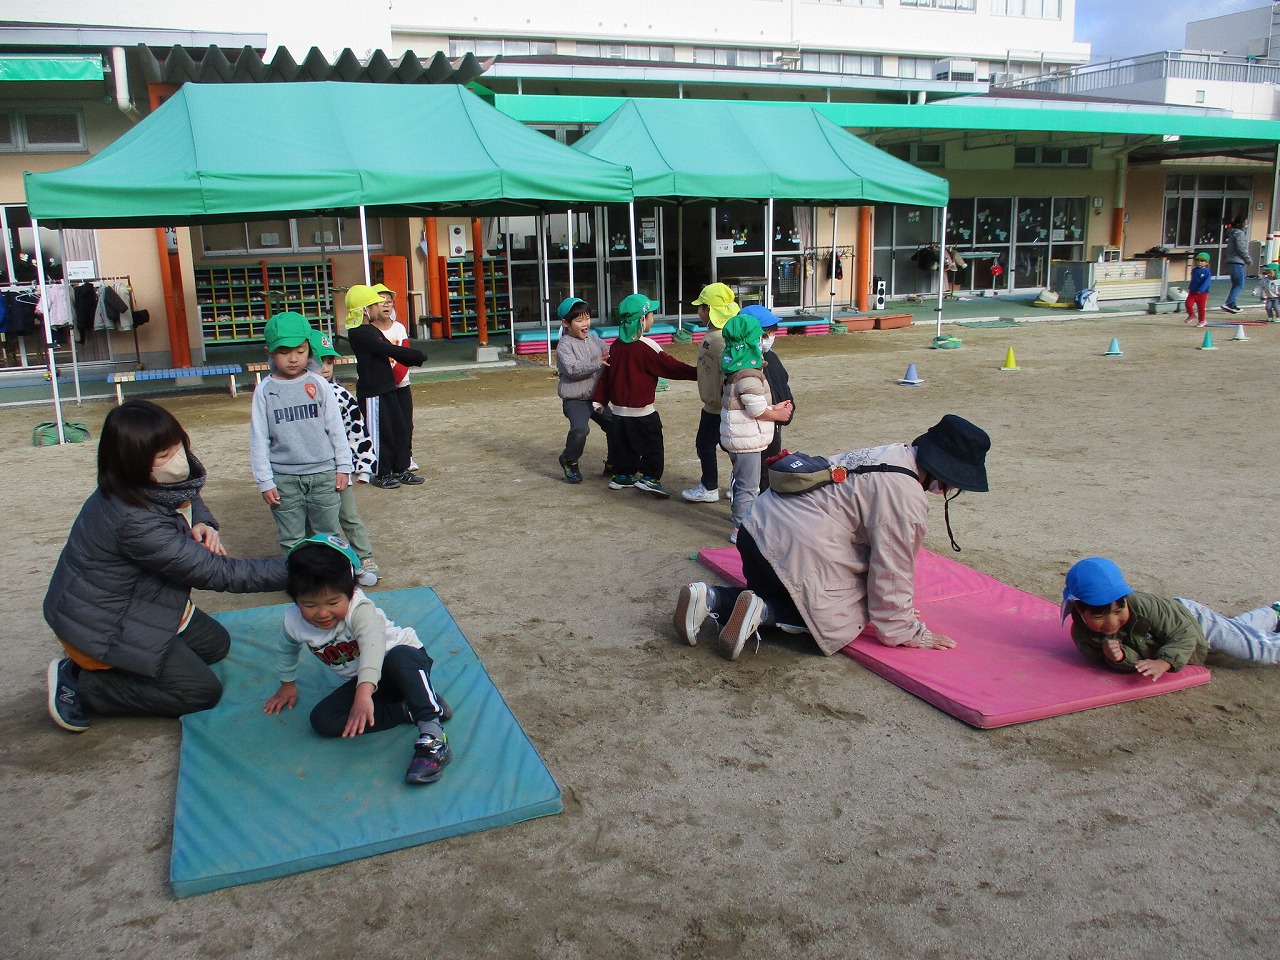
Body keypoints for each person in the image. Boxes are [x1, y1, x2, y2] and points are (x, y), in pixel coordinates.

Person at [43, 400, 288, 732]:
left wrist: (204, 523)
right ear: (132, 463)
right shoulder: (133, 520)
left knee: (217, 645)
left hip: (140, 602)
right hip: (103, 625)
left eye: (178, 446)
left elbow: (189, 494)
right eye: (163, 456)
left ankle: (147, 659)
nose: (177, 459)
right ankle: (83, 683)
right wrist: (303, 570)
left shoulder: (148, 486)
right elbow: (218, 572)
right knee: (200, 692)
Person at [673, 415, 992, 661]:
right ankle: (763, 612)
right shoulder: (906, 498)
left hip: (755, 530)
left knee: (788, 591)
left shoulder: (894, 453)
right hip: (792, 549)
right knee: (843, 618)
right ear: (947, 475)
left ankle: (710, 598)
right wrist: (904, 627)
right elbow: (892, 570)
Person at [263, 534, 453, 785]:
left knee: (400, 656)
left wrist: (363, 695)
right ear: (295, 599)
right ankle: (407, 710)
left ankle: (433, 735)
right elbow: (287, 648)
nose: (322, 613)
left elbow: (373, 647)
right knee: (323, 720)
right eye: (309, 604)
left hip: (403, 665)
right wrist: (287, 684)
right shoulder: (293, 621)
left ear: (351, 592)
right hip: (369, 683)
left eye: (333, 602)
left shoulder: (360, 610)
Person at [1062, 557, 1280, 680]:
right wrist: (1119, 658)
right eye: (1099, 615)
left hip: (1193, 622)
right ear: (1079, 609)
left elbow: (1184, 633)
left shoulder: (1146, 606)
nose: (1111, 622)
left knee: (1258, 648)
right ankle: (1274, 613)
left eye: (1119, 611)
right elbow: (1130, 661)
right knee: (1239, 630)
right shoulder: (1083, 637)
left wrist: (1164, 662)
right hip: (1174, 638)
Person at [249, 312, 352, 554]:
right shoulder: (264, 391)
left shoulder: (319, 384)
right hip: (284, 478)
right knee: (291, 537)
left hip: (323, 474)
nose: (293, 358)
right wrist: (264, 480)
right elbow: (259, 438)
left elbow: (336, 428)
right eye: (284, 352)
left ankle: (330, 575)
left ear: (309, 350)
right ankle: (299, 576)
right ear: (269, 353)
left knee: (328, 534)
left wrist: (343, 466)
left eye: (300, 351)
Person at [591, 292, 697, 498]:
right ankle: (650, 477)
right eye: (651, 315)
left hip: (619, 414)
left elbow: (606, 376)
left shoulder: (616, 346)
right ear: (642, 320)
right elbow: (671, 367)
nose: (653, 318)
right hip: (643, 413)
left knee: (624, 446)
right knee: (652, 445)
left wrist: (599, 400)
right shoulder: (647, 346)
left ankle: (622, 475)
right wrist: (698, 374)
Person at [718, 309, 793, 544]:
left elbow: (752, 402)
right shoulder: (748, 374)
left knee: (747, 483)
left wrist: (773, 406)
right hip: (746, 440)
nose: (765, 340)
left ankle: (746, 521)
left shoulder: (736, 368)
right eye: (761, 336)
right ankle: (741, 528)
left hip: (741, 436)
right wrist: (778, 414)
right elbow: (756, 409)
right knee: (748, 486)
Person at [312, 330, 380, 586]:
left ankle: (365, 558)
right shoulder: (297, 395)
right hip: (310, 471)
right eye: (318, 361)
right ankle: (323, 566)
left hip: (339, 469)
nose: (325, 368)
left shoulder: (342, 395)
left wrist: (364, 466)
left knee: (348, 516)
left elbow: (357, 430)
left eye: (329, 361)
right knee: (316, 520)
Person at [344, 284, 426, 490]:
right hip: (373, 392)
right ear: (365, 310)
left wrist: (412, 357)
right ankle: (381, 473)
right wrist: (415, 356)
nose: (378, 308)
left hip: (387, 387)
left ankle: (400, 468)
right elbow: (386, 348)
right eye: (374, 305)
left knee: (399, 428)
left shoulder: (371, 330)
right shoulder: (357, 333)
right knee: (380, 433)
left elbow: (389, 349)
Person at [682, 283, 739, 504]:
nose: (698, 311)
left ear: (709, 310)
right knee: (726, 446)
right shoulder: (716, 334)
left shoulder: (721, 339)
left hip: (720, 405)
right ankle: (738, 485)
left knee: (710, 445)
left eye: (701, 307)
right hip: (715, 404)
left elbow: (731, 372)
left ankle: (711, 486)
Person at [554, 296, 615, 484]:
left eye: (587, 318)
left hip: (596, 397)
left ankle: (613, 463)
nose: (585, 323)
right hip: (576, 399)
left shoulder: (595, 339)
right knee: (580, 429)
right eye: (579, 320)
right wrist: (596, 362)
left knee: (615, 425)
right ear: (566, 323)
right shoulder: (564, 345)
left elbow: (611, 355)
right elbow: (572, 369)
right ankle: (569, 460)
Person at [739, 305, 795, 491]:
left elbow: (782, 386)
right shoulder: (743, 365)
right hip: (750, 429)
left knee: (768, 467)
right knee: (748, 473)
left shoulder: (772, 359)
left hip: (772, 425)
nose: (770, 338)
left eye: (772, 332)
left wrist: (788, 408)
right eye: (765, 334)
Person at [371, 282, 419, 473]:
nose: (385, 305)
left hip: (401, 383)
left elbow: (405, 353)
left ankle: (406, 457)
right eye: (380, 301)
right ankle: (385, 461)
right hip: (382, 385)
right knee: (387, 424)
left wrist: (397, 377)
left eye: (389, 301)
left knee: (406, 423)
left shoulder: (399, 328)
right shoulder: (369, 331)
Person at [1221, 216, 1250, 314]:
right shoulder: (1239, 234)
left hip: (1232, 261)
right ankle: (1229, 303)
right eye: (1246, 222)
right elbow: (1241, 249)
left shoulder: (1233, 233)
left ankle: (1232, 304)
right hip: (1237, 262)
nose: (1247, 224)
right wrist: (1248, 259)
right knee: (1239, 284)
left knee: (1235, 284)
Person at [1185, 251, 1212, 327]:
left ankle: (1202, 321)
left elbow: (1207, 282)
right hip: (1193, 292)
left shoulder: (1207, 271)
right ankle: (1191, 315)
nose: (1199, 262)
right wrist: (1191, 288)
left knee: (1201, 308)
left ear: (1206, 262)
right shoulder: (1194, 270)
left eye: (1202, 261)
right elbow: (1193, 280)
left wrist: (1201, 289)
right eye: (1198, 260)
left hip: (1202, 293)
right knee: (1188, 304)